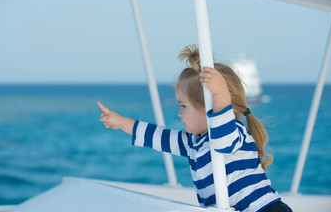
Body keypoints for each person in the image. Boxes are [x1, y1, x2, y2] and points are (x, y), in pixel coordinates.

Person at [97, 44, 292, 212]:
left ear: (206, 106)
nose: (179, 114)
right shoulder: (193, 141)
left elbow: (221, 124)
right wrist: (120, 121)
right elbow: (157, 137)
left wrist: (219, 92)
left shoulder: (232, 133)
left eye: (183, 106)